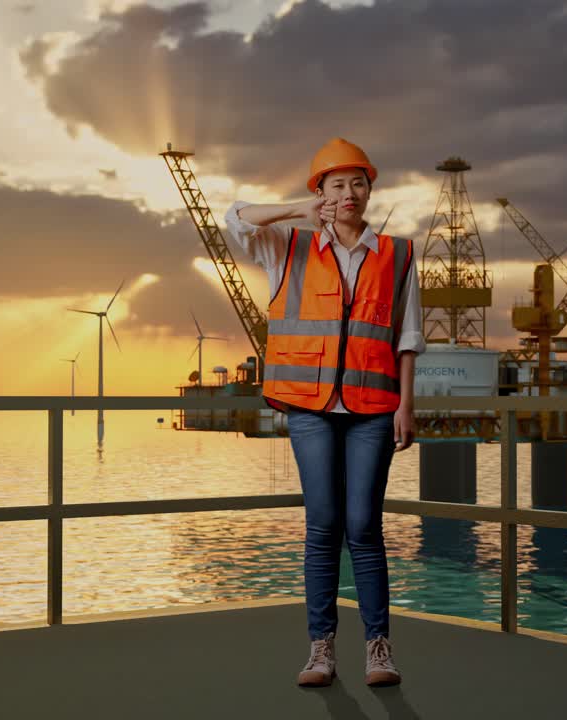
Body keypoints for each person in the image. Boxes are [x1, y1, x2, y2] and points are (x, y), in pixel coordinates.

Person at [224, 137, 424, 688]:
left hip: (374, 408)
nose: (349, 193)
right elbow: (233, 218)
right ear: (320, 192)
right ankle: (321, 649)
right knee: (323, 526)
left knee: (364, 526)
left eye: (358, 182)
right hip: (309, 406)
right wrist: (297, 210)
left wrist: (407, 404)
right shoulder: (285, 245)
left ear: (370, 189)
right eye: (336, 184)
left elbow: (407, 336)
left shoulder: (400, 254)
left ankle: (378, 647)